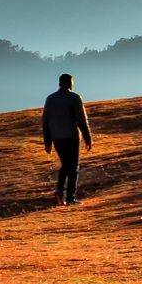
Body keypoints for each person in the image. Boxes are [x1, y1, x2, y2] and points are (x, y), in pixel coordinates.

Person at [42, 72, 92, 204]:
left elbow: (45, 121)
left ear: (59, 83)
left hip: (57, 137)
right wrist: (88, 138)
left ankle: (60, 191)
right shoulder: (74, 98)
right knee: (73, 166)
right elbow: (81, 120)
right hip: (71, 136)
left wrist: (48, 142)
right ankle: (70, 197)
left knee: (66, 164)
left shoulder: (50, 99)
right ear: (71, 83)